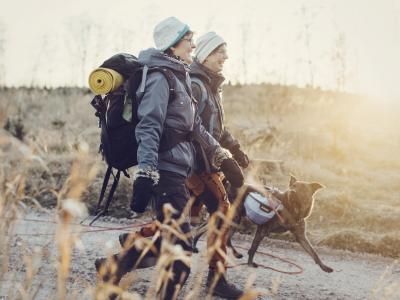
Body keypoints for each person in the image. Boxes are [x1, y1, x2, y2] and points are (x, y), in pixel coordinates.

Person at [95, 17, 244, 300]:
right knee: (179, 254)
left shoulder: (180, 76)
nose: (193, 45)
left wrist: (223, 156)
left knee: (175, 245)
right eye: (189, 40)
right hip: (165, 173)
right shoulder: (159, 78)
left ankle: (114, 267)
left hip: (177, 170)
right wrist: (146, 174)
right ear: (173, 44)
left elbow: (195, 127)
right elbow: (149, 127)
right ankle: (118, 268)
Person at [185, 31, 249, 299]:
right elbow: (192, 127)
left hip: (206, 163)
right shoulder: (196, 85)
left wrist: (234, 147)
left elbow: (217, 127)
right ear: (205, 55)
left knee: (178, 219)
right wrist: (223, 157)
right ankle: (217, 280)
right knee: (223, 211)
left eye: (225, 51)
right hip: (195, 165)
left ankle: (120, 259)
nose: (226, 56)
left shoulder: (211, 86)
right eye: (219, 51)